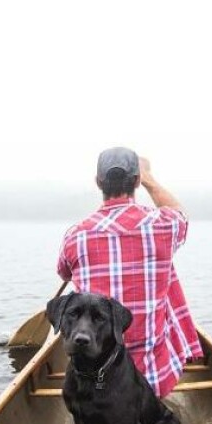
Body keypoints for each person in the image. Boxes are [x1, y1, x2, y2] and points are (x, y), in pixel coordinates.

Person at [57, 147, 203, 398]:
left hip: (95, 378)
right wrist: (149, 178)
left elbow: (64, 273)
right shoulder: (164, 225)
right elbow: (181, 214)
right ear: (136, 181)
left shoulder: (75, 236)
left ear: (98, 182)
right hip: (152, 379)